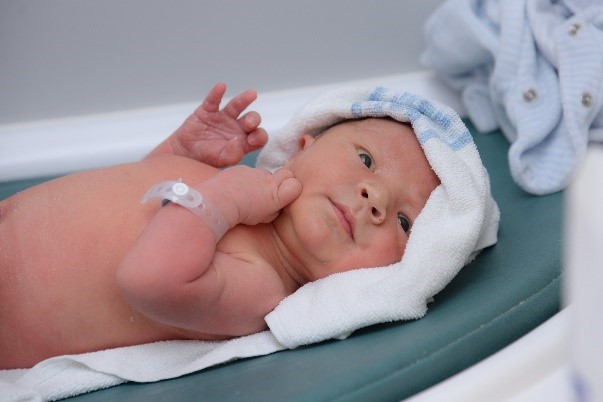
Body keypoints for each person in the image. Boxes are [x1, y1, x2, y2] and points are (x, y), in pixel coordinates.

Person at [0, 83, 440, 369]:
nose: (375, 198)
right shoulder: (218, 191)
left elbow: (146, 278)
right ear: (302, 148)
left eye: (404, 221)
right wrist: (175, 154)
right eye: (365, 159)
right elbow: (136, 202)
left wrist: (223, 201)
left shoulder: (261, 284)